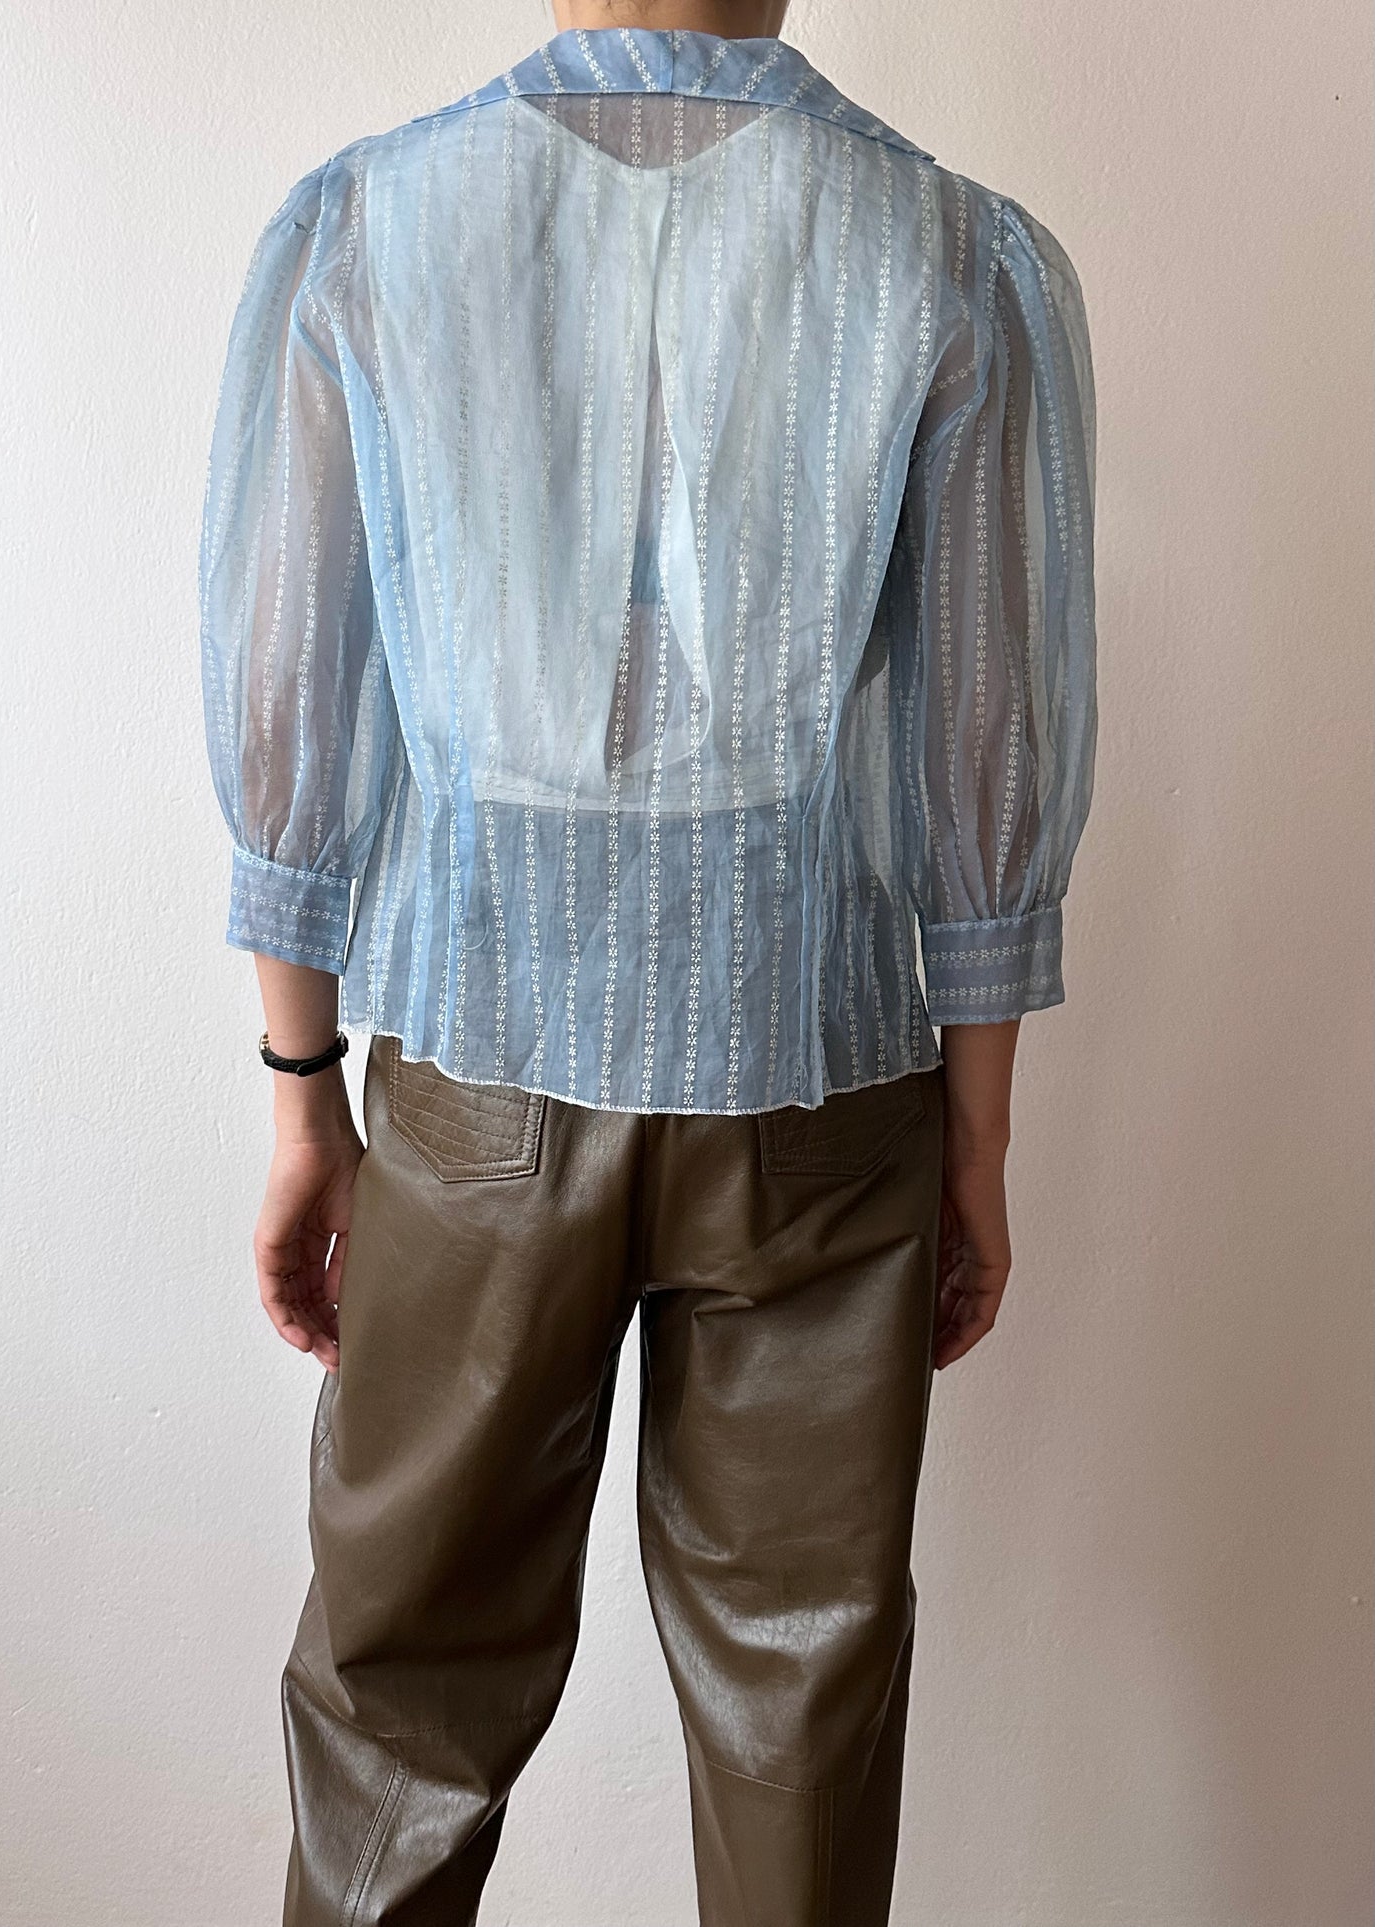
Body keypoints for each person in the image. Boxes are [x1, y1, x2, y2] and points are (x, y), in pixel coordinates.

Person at [197, 1, 1098, 1920]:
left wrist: (300, 1095)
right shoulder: (948, 250)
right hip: (823, 1085)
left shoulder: (369, 225)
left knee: (395, 1715)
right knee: (799, 1717)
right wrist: (979, 1137)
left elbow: (291, 701)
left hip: (477, 1071)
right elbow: (984, 742)